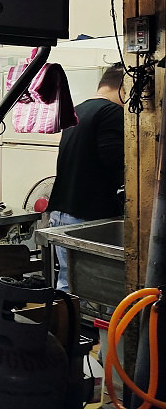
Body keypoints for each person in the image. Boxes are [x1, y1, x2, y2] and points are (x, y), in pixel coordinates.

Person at [47, 64, 125, 291]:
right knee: (107, 291)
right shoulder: (112, 112)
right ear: (125, 87)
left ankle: (64, 316)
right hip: (90, 218)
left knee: (68, 286)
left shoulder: (78, 110)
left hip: (62, 212)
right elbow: (116, 161)